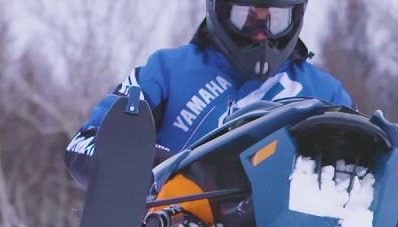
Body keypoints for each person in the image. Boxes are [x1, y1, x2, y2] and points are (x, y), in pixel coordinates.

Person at [65, 0, 354, 185]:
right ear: (222, 11)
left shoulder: (325, 94)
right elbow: (84, 144)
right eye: (247, 17)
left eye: (274, 20)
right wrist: (153, 166)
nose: (261, 32)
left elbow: (360, 176)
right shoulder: (167, 71)